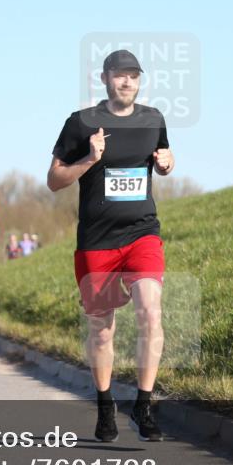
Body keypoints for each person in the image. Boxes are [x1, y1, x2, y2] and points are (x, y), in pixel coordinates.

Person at [46, 49, 174, 442]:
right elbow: (54, 180)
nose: (127, 81)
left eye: (133, 75)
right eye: (119, 74)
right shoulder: (81, 122)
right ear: (104, 79)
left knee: (150, 312)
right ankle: (105, 405)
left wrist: (167, 164)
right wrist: (89, 158)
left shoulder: (153, 119)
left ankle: (143, 405)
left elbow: (162, 160)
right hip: (97, 242)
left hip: (142, 233)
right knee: (102, 330)